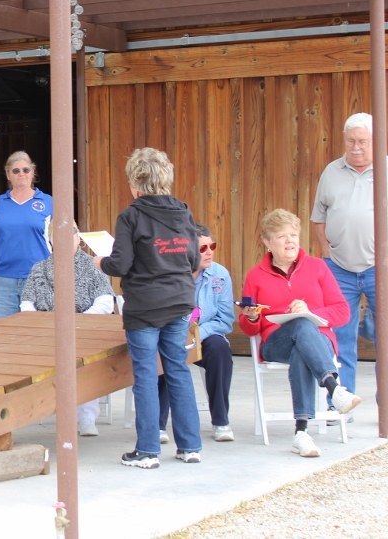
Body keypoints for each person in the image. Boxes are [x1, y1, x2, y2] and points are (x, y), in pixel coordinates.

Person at [94, 147, 202, 469]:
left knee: (145, 375)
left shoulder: (131, 216)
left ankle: (148, 451)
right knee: (178, 369)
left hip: (144, 306)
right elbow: (194, 260)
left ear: (134, 184)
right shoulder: (184, 212)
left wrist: (99, 261)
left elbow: (120, 264)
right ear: (166, 178)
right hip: (180, 301)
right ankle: (190, 447)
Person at [240, 208, 361, 458]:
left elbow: (342, 311)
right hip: (276, 343)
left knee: (303, 340)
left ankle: (301, 433)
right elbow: (248, 327)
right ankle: (334, 388)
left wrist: (310, 311)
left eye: (293, 235)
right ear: (267, 242)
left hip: (319, 341)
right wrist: (251, 317)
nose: (290, 241)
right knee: (301, 326)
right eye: (282, 236)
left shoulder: (318, 267)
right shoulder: (255, 275)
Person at [21, 222, 114, 436]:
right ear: (51, 241)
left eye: (70, 237)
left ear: (78, 239)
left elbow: (105, 301)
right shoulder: (39, 268)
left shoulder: (93, 264)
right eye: (58, 238)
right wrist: (39, 324)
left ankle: (86, 416)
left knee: (84, 359)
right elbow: (27, 303)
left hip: (85, 329)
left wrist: (79, 323)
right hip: (48, 331)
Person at [311, 112, 377, 400]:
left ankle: (386, 404)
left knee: (385, 338)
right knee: (340, 338)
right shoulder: (332, 171)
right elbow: (319, 217)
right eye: (351, 141)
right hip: (339, 268)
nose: (356, 147)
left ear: (375, 140)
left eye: (363, 141)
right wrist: (326, 252)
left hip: (379, 268)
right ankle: (340, 402)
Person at [158, 223, 235, 443]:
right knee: (164, 351)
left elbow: (225, 320)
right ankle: (158, 425)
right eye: (203, 248)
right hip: (172, 332)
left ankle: (221, 421)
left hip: (205, 335)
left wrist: (196, 334)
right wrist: (177, 333)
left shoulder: (220, 274)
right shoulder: (169, 273)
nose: (209, 252)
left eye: (212, 246)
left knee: (220, 350)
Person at [0, 151, 52, 319]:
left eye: (26, 170)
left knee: (37, 330)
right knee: (6, 330)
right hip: (1, 279)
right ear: (8, 174)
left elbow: (59, 241)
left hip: (38, 278)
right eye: (16, 171)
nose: (21, 174)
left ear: (33, 172)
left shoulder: (48, 202)